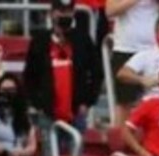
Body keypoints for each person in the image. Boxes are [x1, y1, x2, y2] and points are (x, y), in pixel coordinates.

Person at [24, 0, 104, 131]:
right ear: (51, 13)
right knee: (50, 151)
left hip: (76, 114)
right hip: (48, 114)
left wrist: (87, 102)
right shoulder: (40, 41)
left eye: (68, 11)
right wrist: (39, 104)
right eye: (60, 11)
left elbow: (97, 73)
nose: (64, 15)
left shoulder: (83, 39)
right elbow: (29, 76)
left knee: (76, 151)